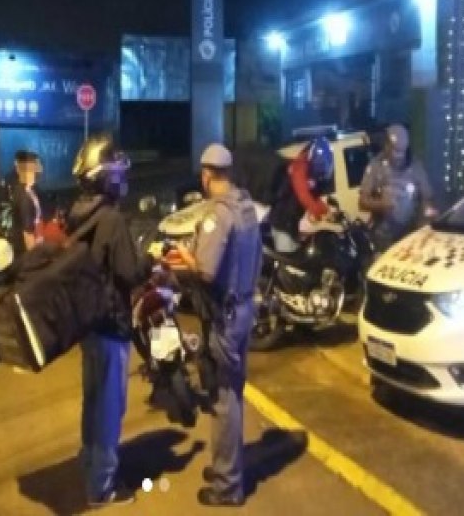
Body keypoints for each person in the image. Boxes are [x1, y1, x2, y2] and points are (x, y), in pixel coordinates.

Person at [174, 143, 263, 507]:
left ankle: (228, 486)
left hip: (224, 317)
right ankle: (227, 464)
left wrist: (185, 256)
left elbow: (206, 270)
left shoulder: (219, 214)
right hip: (243, 309)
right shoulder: (247, 207)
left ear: (207, 175)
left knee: (223, 398)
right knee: (233, 393)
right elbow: (257, 259)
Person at [69, 134, 154, 508]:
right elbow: (129, 273)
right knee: (109, 407)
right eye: (118, 172)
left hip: (87, 323)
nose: (122, 178)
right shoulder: (113, 220)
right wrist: (151, 258)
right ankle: (101, 486)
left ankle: (90, 462)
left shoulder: (78, 214)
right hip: (110, 324)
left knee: (92, 399)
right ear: (106, 177)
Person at [358, 123, 438, 253]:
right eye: (395, 151)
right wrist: (381, 205)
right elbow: (362, 202)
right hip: (382, 237)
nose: (399, 156)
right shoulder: (375, 166)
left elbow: (427, 198)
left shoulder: (415, 166)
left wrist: (427, 213)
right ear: (386, 146)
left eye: (402, 152)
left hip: (409, 236)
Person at [267, 135, 335, 252]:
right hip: (282, 224)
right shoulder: (299, 166)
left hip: (291, 224)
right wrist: (317, 210)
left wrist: (326, 209)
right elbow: (303, 194)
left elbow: (313, 195)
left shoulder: (310, 171)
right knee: (288, 258)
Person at [5, 150, 44, 255]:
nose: (40, 169)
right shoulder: (24, 195)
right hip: (24, 252)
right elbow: (27, 233)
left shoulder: (30, 189)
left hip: (34, 243)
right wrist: (35, 258)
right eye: (37, 165)